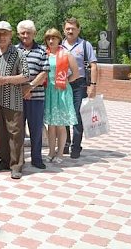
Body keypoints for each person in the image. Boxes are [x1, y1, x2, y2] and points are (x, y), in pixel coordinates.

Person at [0, 21, 30, 179]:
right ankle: (4, 161)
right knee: (1, 133)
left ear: (11, 35)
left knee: (15, 133)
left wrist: (5, 80)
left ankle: (17, 165)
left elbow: (26, 75)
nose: (2, 36)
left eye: (5, 33)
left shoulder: (18, 53)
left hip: (13, 99)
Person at [62, 18, 98, 158]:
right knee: (64, 115)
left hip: (79, 84)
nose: (70, 31)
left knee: (77, 115)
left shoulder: (85, 45)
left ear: (78, 30)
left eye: (73, 28)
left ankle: (76, 147)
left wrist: (93, 86)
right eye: (68, 29)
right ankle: (65, 143)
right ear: (64, 30)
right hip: (63, 84)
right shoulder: (60, 45)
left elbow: (93, 65)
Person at [16, 20, 49, 170]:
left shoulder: (42, 51)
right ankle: (18, 159)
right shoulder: (14, 50)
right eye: (22, 33)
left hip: (36, 97)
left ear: (34, 34)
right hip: (17, 98)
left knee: (36, 129)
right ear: (18, 34)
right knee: (18, 130)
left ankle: (36, 158)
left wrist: (29, 87)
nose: (25, 35)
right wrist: (22, 88)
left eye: (28, 32)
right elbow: (12, 72)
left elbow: (44, 72)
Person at [44, 28, 79, 163]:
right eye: (48, 38)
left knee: (61, 125)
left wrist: (65, 82)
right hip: (49, 91)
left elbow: (76, 73)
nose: (51, 41)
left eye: (54, 38)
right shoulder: (44, 53)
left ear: (59, 39)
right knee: (51, 125)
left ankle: (60, 153)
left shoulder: (66, 54)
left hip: (62, 92)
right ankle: (51, 151)